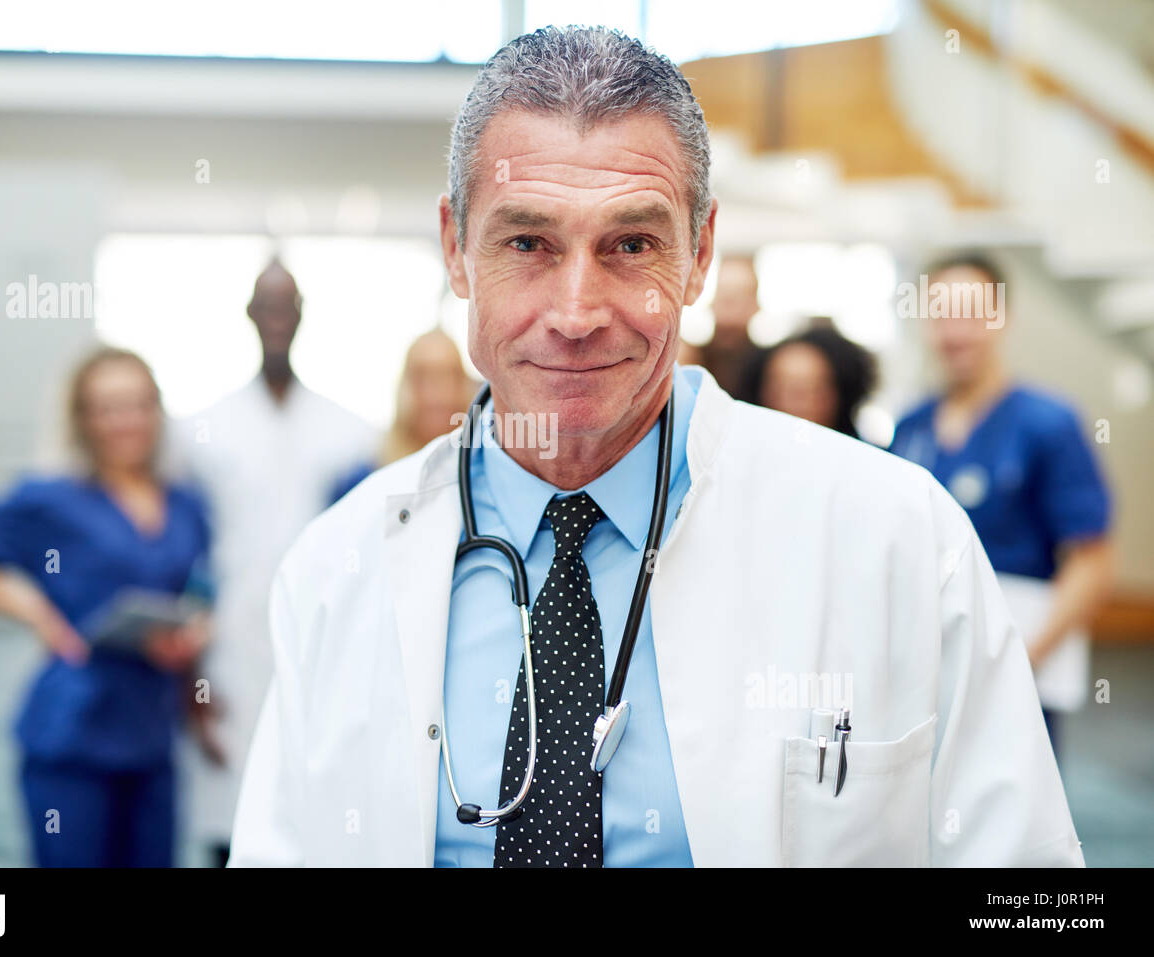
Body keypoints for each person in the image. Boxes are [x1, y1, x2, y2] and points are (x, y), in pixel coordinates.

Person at [229, 26, 1081, 867]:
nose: (575, 313)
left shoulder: (895, 536)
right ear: (456, 248)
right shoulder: (336, 570)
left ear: (699, 252)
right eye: (527, 242)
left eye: (630, 245)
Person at [0, 347, 212, 867]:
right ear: (82, 420)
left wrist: (193, 632)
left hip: (152, 730)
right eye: (108, 408)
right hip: (75, 728)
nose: (126, 421)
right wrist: (41, 615)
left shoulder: (185, 500)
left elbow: (197, 587)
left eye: (138, 404)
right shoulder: (53, 499)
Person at [170, 258, 377, 867]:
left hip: (322, 650)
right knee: (229, 822)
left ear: (304, 315)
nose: (278, 318)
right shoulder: (203, 433)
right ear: (250, 315)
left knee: (312, 824)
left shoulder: (349, 433)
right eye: (267, 305)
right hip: (228, 655)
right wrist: (194, 689)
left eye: (289, 305)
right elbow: (190, 564)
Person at [890, 253, 1114, 753]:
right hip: (926, 674)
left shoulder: (1048, 424)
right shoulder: (911, 428)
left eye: (972, 313)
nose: (956, 331)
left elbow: (1092, 561)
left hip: (1020, 670)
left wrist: (1020, 662)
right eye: (942, 314)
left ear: (1002, 319)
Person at [327, 328, 478, 503]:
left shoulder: (483, 476)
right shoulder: (361, 481)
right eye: (423, 377)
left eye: (449, 376)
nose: (437, 394)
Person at [742, 323, 878, 439]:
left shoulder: (862, 461)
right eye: (783, 389)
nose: (796, 403)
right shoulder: (741, 457)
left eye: (811, 390)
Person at [696, 255, 760, 398]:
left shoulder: (769, 368)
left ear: (755, 306)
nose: (731, 310)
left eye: (740, 299)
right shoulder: (691, 360)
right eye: (725, 299)